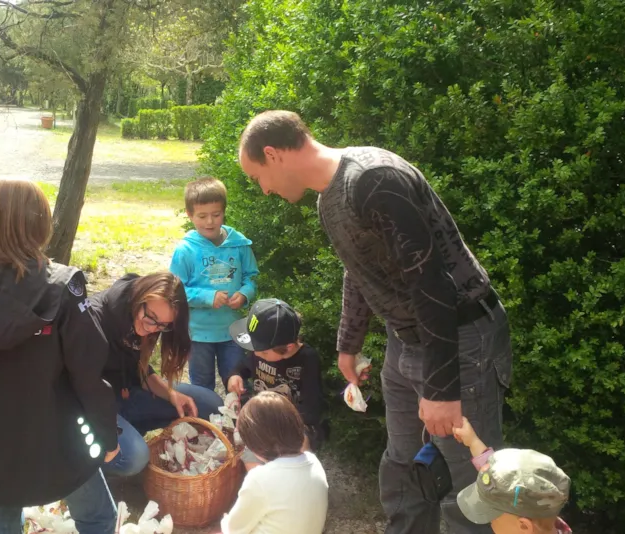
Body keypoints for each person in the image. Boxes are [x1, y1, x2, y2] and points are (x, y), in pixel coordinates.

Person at [238, 110, 513, 534]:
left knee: (470, 482)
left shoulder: (373, 178)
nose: (265, 190)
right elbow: (357, 270)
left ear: (272, 154)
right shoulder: (329, 199)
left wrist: (442, 389)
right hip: (404, 339)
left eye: (257, 177)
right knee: (402, 462)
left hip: (460, 337)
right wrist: (348, 344)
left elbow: (431, 283)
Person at [0, 178, 120, 534]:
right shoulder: (65, 286)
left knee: (3, 517)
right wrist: (106, 434)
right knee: (97, 516)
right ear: (39, 224)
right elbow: (89, 373)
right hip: (62, 438)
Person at [89, 272, 225, 477]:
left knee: (210, 404)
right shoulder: (95, 319)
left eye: (162, 325)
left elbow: (140, 369)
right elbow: (81, 391)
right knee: (134, 457)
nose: (152, 328)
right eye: (151, 318)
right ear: (139, 298)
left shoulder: (149, 320)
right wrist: (108, 432)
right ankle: (95, 463)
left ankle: (129, 430)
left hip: (128, 393)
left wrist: (171, 394)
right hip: (94, 406)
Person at [170, 176, 258, 391]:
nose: (210, 221)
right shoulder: (185, 251)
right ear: (190, 215)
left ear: (224, 211)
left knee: (237, 384)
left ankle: (238, 423)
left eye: (216, 214)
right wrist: (207, 297)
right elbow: (173, 292)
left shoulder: (239, 245)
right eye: (202, 216)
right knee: (202, 387)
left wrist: (245, 293)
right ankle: (205, 424)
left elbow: (251, 277)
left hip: (233, 331)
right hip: (198, 334)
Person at [226, 298, 327, 468]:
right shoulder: (261, 350)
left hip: (294, 425)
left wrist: (281, 428)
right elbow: (243, 367)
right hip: (262, 419)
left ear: (287, 347)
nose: (257, 355)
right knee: (251, 460)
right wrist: (235, 375)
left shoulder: (308, 359)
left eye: (264, 353)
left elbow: (312, 409)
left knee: (298, 451)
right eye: (254, 349)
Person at [220, 392, 328, 534]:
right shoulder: (314, 463)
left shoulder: (259, 479)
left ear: (255, 446)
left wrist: (225, 521)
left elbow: (234, 529)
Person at [453, 418, 572, 534]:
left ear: (524, 526)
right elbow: (500, 480)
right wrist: (473, 442)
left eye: (491, 520)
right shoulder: (547, 514)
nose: (491, 525)